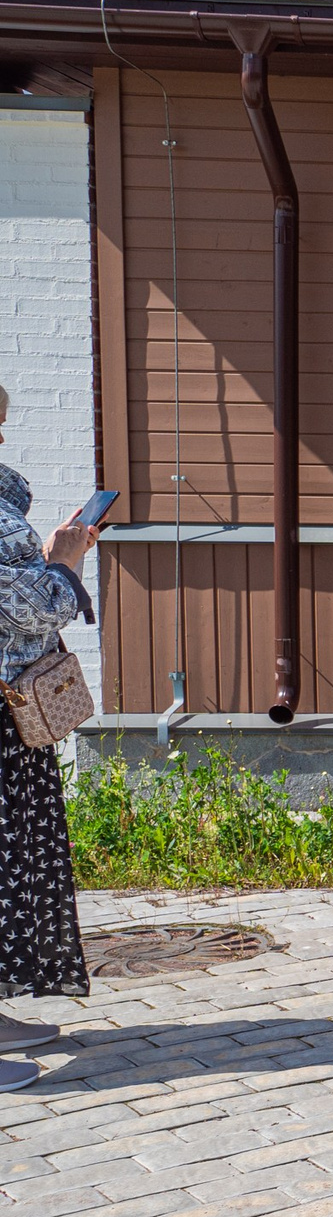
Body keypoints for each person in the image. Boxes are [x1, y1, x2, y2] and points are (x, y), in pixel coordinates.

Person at [0, 396, 98, 1093]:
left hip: (10, 714)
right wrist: (61, 563)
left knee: (11, 869)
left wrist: (53, 561)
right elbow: (20, 604)